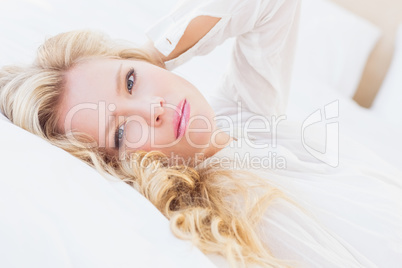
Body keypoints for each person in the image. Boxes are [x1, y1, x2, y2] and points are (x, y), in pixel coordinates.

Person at [0, 0, 401, 267]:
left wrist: (150, 53)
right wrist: (140, 69)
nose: (152, 109)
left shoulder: (242, 117)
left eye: (131, 81)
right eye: (121, 132)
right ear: (115, 165)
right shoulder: (222, 211)